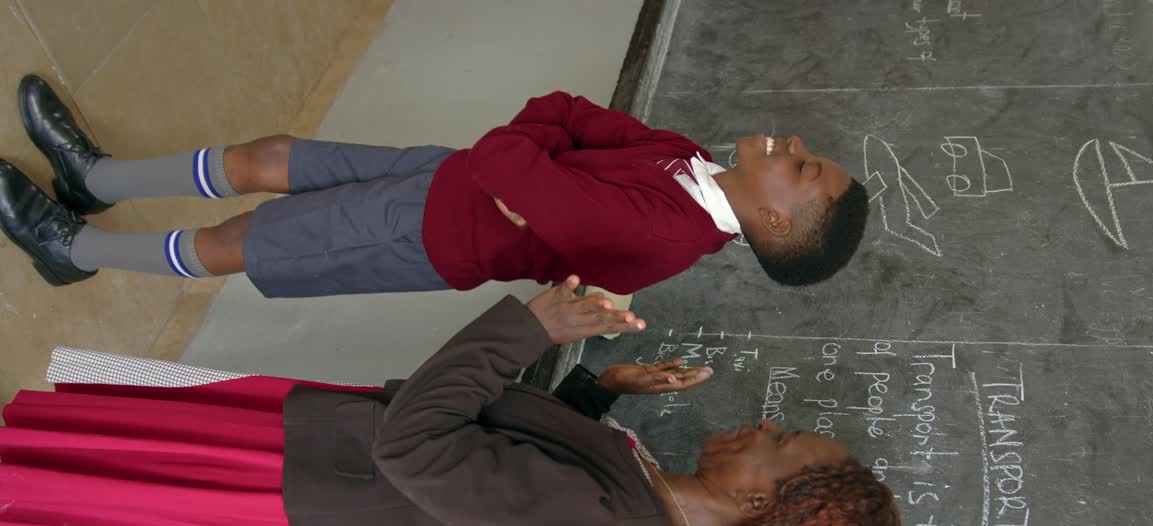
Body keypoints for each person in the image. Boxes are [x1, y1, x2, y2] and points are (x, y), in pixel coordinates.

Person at [0, 277, 902, 526]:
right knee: (71, 468)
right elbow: (508, 471)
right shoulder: (648, 514)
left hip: (291, 497)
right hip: (321, 483)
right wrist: (599, 393)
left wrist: (527, 328)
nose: (761, 424)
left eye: (778, 444)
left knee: (71, 484)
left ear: (759, 506)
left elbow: (417, 450)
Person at [0, 75, 870, 298]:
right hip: (444, 174)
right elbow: (553, 114)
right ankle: (97, 176)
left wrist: (520, 157)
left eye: (799, 166)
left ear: (770, 215)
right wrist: (519, 158)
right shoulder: (686, 156)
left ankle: (71, 248)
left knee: (241, 241)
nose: (792, 144)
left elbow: (526, 148)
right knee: (272, 153)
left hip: (419, 233)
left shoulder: (662, 235)